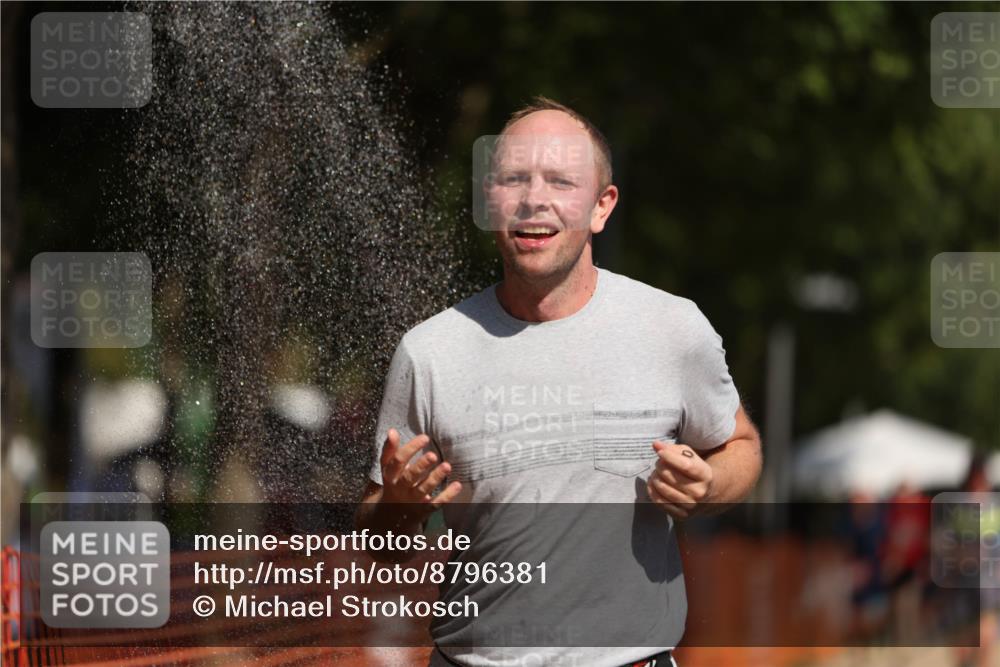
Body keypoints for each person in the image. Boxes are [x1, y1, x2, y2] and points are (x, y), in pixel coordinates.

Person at [356, 96, 763, 667]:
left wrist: (709, 485)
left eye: (561, 181)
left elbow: (741, 446)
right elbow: (378, 543)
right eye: (514, 179)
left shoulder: (672, 328)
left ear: (601, 207)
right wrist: (399, 508)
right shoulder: (429, 352)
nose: (534, 199)